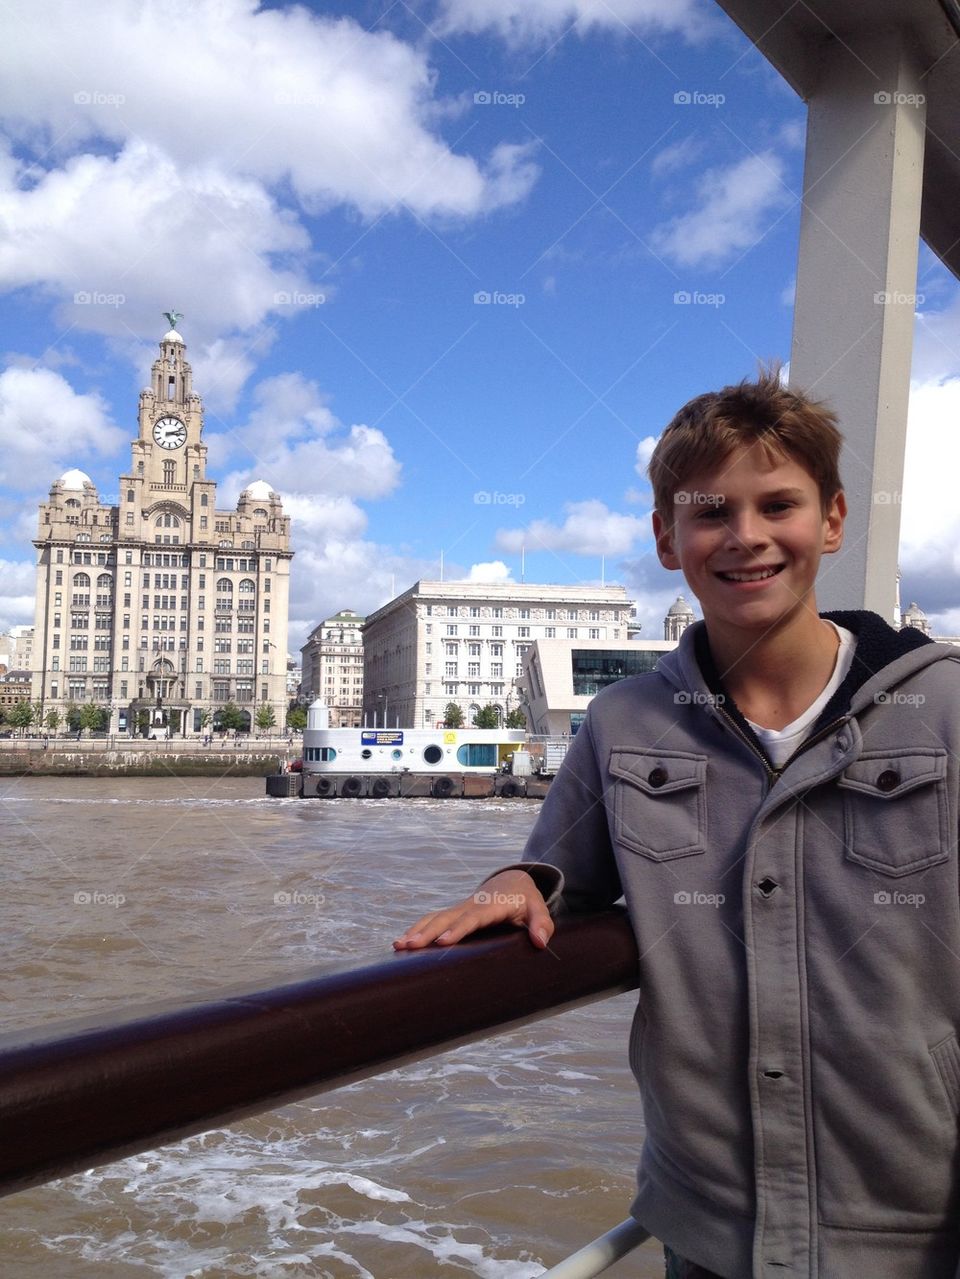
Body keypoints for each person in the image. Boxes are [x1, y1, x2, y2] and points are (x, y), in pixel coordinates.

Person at [394, 369, 960, 1278]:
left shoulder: (944, 704)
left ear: (834, 520)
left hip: (915, 1224)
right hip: (709, 1223)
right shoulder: (625, 723)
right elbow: (558, 869)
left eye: (778, 504)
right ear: (668, 537)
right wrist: (512, 884)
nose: (745, 537)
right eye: (710, 513)